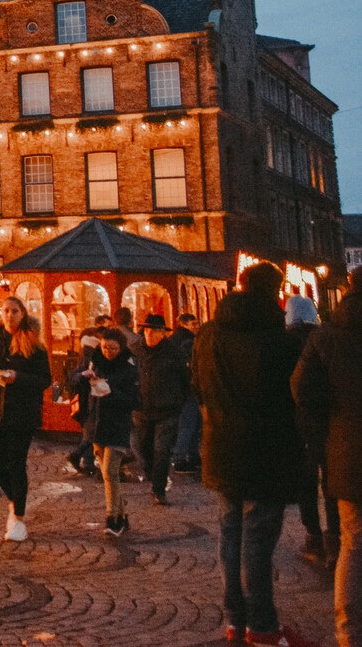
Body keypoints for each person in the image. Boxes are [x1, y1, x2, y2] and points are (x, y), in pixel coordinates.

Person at [191, 261, 312, 646]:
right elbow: (293, 398)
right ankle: (262, 626)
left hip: (221, 446)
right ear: (275, 292)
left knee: (230, 533)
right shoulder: (279, 339)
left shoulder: (208, 334)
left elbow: (196, 386)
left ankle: (236, 620)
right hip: (265, 451)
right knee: (258, 539)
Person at [293, 287, 362, 647]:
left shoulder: (325, 337)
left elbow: (301, 388)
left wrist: (328, 426)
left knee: (353, 544)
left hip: (349, 452)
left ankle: (349, 634)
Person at [0, 297, 52, 542]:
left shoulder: (35, 345)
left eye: (14, 311)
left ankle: (18, 518)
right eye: (5, 311)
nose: (9, 315)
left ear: (22, 314)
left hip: (22, 411)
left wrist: (17, 377)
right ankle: (13, 500)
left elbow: (44, 380)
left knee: (17, 463)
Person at [288, 294, 339, 565]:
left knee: (307, 482)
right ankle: (334, 537)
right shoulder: (328, 338)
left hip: (301, 423)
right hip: (329, 419)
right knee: (331, 480)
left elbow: (292, 383)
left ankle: (313, 535)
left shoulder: (286, 342)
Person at [84, 328, 140, 536]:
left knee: (109, 472)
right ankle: (122, 516)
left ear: (121, 347)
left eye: (113, 348)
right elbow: (74, 380)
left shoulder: (129, 367)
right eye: (105, 347)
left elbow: (134, 400)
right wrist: (83, 377)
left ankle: (112, 518)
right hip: (96, 424)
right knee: (110, 474)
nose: (108, 351)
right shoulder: (94, 361)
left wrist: (111, 392)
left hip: (117, 425)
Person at [130, 313, 190, 506]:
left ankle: (158, 489)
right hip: (141, 409)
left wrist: (178, 400)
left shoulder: (174, 352)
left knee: (162, 450)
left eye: (154, 331)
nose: (150, 335)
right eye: (147, 330)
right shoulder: (135, 350)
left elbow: (185, 379)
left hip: (167, 409)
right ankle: (150, 471)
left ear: (163, 333)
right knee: (143, 446)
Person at [64, 329, 102, 477]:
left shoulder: (82, 357)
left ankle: (87, 462)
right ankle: (81, 458)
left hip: (84, 400)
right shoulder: (90, 359)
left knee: (89, 431)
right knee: (91, 431)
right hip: (88, 400)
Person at [171, 312, 203, 474]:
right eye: (193, 324)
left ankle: (190, 454)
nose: (196, 327)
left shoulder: (175, 339)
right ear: (184, 324)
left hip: (182, 388)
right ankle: (180, 458)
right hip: (188, 388)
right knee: (189, 422)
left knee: (192, 422)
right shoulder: (187, 341)